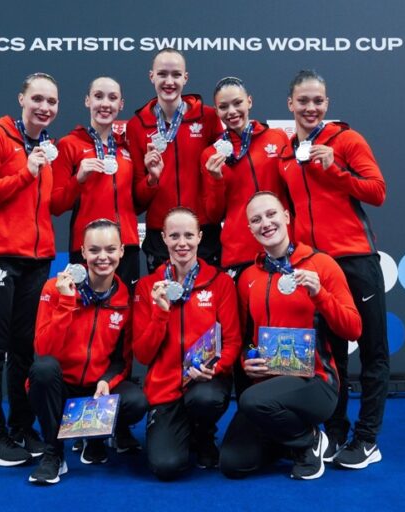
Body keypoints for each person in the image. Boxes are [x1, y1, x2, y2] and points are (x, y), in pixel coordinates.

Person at [279, 69, 389, 469]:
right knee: (332, 356)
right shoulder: (287, 155)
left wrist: (337, 172)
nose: (311, 107)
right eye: (303, 101)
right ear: (290, 104)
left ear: (327, 104)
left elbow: (377, 192)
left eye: (318, 101)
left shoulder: (346, 140)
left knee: (374, 351)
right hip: (317, 266)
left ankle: (367, 438)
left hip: (357, 261)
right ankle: (337, 430)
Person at [219, 192, 361, 480]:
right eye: (256, 220)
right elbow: (247, 337)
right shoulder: (248, 277)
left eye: (271, 214)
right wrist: (249, 357)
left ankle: (310, 441)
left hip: (315, 384)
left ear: (286, 217)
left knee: (250, 400)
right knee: (234, 463)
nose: (265, 223)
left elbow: (353, 328)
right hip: (267, 387)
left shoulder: (322, 265)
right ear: (249, 229)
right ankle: (288, 443)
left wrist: (319, 294)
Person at [0, 72, 62, 467]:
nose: (44, 107)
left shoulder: (46, 148)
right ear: (21, 98)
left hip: (36, 260)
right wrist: (26, 171)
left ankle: (22, 427)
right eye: (37, 98)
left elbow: (49, 205)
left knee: (25, 349)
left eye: (52, 102)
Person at [27, 219, 148, 485]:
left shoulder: (124, 299)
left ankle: (95, 437)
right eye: (94, 250)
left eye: (110, 249)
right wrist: (66, 302)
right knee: (43, 370)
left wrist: (106, 381)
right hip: (61, 389)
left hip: (95, 388)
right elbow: (43, 351)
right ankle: (53, 453)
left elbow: (121, 361)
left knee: (136, 401)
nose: (102, 257)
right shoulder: (55, 288)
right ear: (82, 252)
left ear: (121, 252)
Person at [132, 207, 241, 480]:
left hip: (205, 382)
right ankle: (179, 430)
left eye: (189, 235)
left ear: (200, 237)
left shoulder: (220, 282)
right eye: (175, 236)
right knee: (166, 467)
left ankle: (204, 435)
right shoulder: (147, 286)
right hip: (165, 387)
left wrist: (217, 369)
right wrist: (160, 312)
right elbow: (143, 355)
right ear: (164, 238)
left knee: (206, 398)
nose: (182, 243)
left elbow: (232, 340)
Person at [127, 48, 222, 273]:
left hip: (203, 232)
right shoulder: (137, 125)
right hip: (160, 233)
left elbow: (221, 177)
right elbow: (137, 202)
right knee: (162, 304)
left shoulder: (208, 118)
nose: (169, 81)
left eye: (176, 75)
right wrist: (152, 179)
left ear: (185, 78)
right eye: (162, 74)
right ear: (152, 76)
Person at [52, 77, 140, 290]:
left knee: (124, 315)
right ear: (87, 101)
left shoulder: (128, 148)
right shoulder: (69, 145)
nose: (105, 104)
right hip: (87, 248)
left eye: (112, 98)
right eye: (98, 96)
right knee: (84, 315)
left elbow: (139, 201)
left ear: (121, 104)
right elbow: (55, 205)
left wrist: (153, 179)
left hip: (126, 246)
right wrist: (78, 179)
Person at [201, 76, 290, 280]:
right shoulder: (211, 154)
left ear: (249, 101)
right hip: (239, 253)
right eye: (223, 106)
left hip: (282, 247)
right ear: (216, 111)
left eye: (237, 103)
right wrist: (216, 180)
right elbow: (214, 215)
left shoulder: (277, 138)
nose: (231, 111)